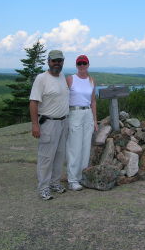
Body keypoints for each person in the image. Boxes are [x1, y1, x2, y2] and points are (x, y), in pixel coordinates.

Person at [29, 50, 69, 200]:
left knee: (59, 156)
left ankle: (54, 183)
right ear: (48, 61)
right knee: (46, 157)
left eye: (60, 61)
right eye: (54, 61)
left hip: (63, 122)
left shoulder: (62, 77)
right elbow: (33, 102)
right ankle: (43, 188)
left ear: (63, 62)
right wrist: (35, 125)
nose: (57, 64)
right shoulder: (41, 79)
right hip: (49, 123)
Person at [66, 54, 98, 191]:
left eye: (84, 63)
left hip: (88, 114)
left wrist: (95, 120)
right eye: (79, 63)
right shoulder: (70, 79)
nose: (82, 66)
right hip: (75, 113)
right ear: (76, 65)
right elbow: (63, 98)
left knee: (85, 148)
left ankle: (81, 177)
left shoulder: (91, 80)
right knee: (75, 147)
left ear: (88, 65)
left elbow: (93, 101)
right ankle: (72, 179)